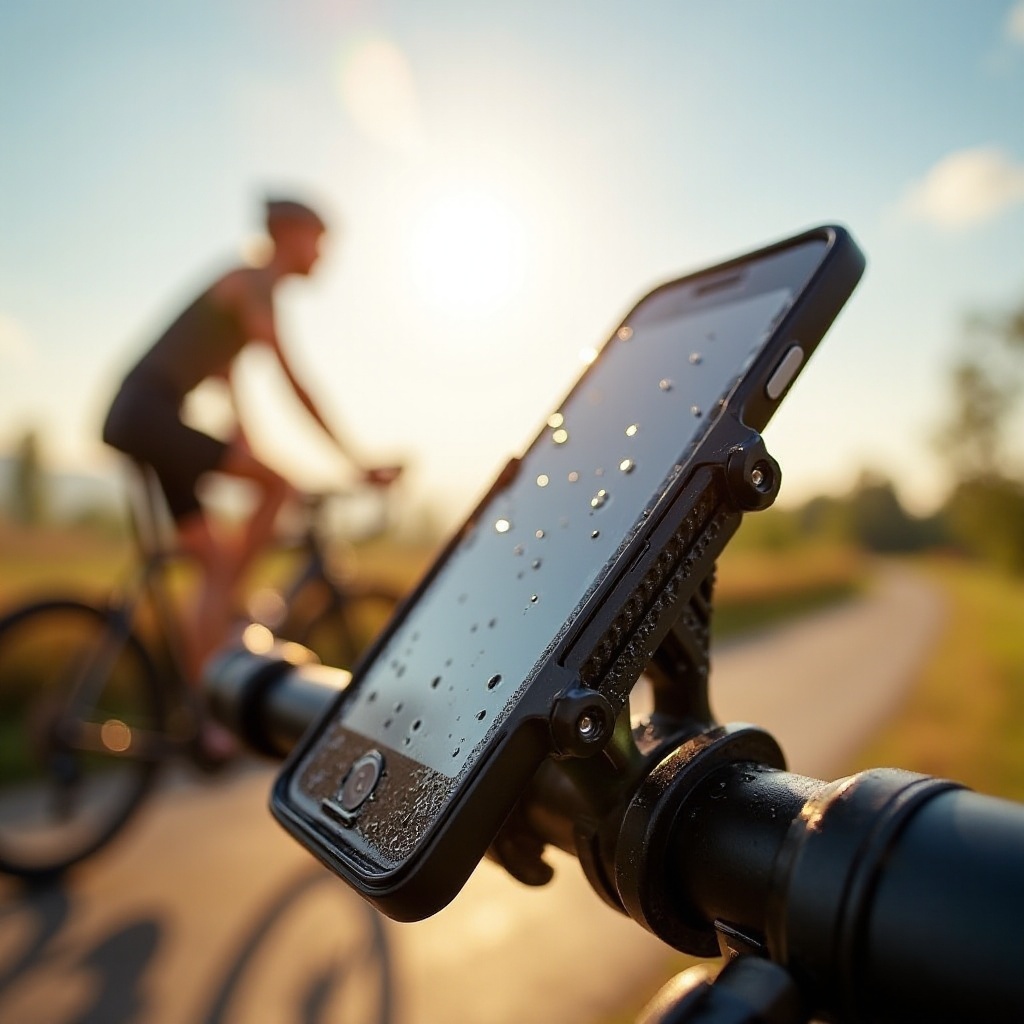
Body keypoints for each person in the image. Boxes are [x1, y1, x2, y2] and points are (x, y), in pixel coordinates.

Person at [103, 197, 398, 753]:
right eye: (317, 240)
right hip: (150, 415)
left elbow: (225, 376)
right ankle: (236, 619)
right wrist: (355, 462)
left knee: (213, 559)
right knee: (276, 489)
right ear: (288, 235)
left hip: (141, 415)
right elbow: (293, 380)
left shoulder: (240, 288)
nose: (322, 254)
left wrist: (247, 441)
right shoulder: (255, 284)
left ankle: (206, 714)